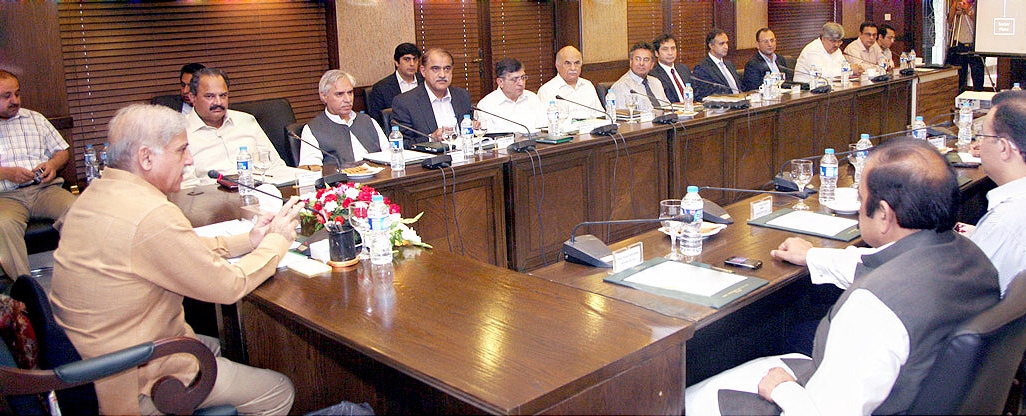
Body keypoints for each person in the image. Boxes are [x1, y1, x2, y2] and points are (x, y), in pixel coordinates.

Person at [686, 138, 1000, 415]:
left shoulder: (873, 308)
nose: (860, 207)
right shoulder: (973, 257)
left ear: (884, 215)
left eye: (862, 200)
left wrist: (782, 389)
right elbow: (871, 263)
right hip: (912, 390)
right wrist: (811, 256)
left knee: (687, 399)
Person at [50, 104, 300, 414]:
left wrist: (248, 241)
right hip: (139, 377)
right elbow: (229, 285)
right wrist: (277, 242)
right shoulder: (151, 214)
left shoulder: (97, 194)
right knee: (279, 389)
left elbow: (173, 249)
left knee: (239, 348)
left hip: (100, 360)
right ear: (146, 157)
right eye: (181, 150)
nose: (190, 159)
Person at [773, 90, 1026, 298]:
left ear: (1004, 148)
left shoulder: (1004, 224)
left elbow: (910, 274)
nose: (978, 143)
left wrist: (813, 255)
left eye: (984, 135)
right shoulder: (1010, 213)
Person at [0, 70, 76, 280]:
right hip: (5, 197)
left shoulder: (35, 119)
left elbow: (62, 152)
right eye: (6, 96)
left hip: (44, 190)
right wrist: (6, 173)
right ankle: (26, 291)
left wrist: (52, 165)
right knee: (3, 225)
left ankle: (81, 275)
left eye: (17, 94)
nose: (15, 100)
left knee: (78, 211)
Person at [181, 68, 285, 187]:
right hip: (212, 200)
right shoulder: (180, 132)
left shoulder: (246, 121)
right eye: (210, 96)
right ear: (193, 97)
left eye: (223, 95)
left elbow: (276, 165)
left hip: (260, 194)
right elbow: (187, 187)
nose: (218, 102)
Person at [297, 70, 388, 170]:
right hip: (341, 183)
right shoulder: (312, 130)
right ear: (324, 96)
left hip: (378, 179)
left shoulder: (368, 121)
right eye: (339, 94)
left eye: (350, 92)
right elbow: (310, 170)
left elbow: (390, 156)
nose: (348, 99)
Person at [390, 48, 473, 149]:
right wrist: (431, 138)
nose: (442, 75)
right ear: (423, 71)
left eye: (447, 69)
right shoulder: (405, 102)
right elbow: (401, 143)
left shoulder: (462, 96)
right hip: (431, 162)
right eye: (435, 69)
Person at [475, 58, 545, 134]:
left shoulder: (532, 98)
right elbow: (488, 139)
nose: (521, 83)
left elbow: (544, 128)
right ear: (500, 82)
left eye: (523, 78)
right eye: (515, 79)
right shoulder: (486, 106)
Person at [537, 45, 604, 119]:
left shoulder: (587, 85)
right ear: (557, 66)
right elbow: (545, 123)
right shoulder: (546, 91)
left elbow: (600, 115)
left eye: (576, 63)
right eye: (567, 63)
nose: (573, 68)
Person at [366, 43, 423, 129]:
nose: (412, 64)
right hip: (397, 134)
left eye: (415, 59)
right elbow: (378, 123)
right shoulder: (381, 88)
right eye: (407, 59)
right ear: (396, 62)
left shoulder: (426, 82)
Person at [609, 42, 668, 113]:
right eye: (638, 59)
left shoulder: (656, 82)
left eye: (646, 60)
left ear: (652, 65)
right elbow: (624, 119)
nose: (641, 63)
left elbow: (667, 108)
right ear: (631, 62)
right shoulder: (621, 86)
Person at [692, 28, 742, 101]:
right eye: (722, 43)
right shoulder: (703, 68)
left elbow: (740, 87)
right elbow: (705, 94)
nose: (726, 47)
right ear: (711, 46)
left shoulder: (730, 65)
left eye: (726, 43)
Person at [947, 0, 985, 92]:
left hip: (974, 45)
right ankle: (959, 95)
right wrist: (954, 6)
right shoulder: (957, 5)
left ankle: (977, 95)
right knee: (960, 75)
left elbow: (979, 21)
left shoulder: (980, 6)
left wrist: (967, 9)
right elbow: (949, 21)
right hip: (959, 43)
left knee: (977, 76)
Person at [649, 34, 693, 103]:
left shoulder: (684, 69)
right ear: (656, 53)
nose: (670, 53)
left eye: (673, 48)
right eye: (665, 49)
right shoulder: (653, 75)